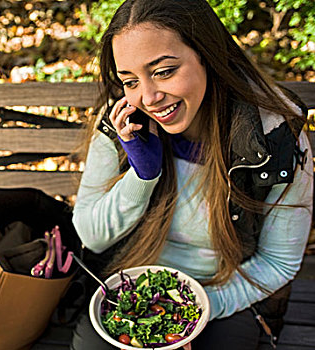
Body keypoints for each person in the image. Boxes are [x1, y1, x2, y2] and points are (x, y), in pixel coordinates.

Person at [70, 0, 313, 349]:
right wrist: (142, 175)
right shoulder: (122, 123)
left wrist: (197, 309)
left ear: (208, 56)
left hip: (226, 294)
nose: (148, 98)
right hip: (132, 287)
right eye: (130, 80)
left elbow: (279, 262)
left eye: (164, 71)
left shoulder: (273, 137)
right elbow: (91, 238)